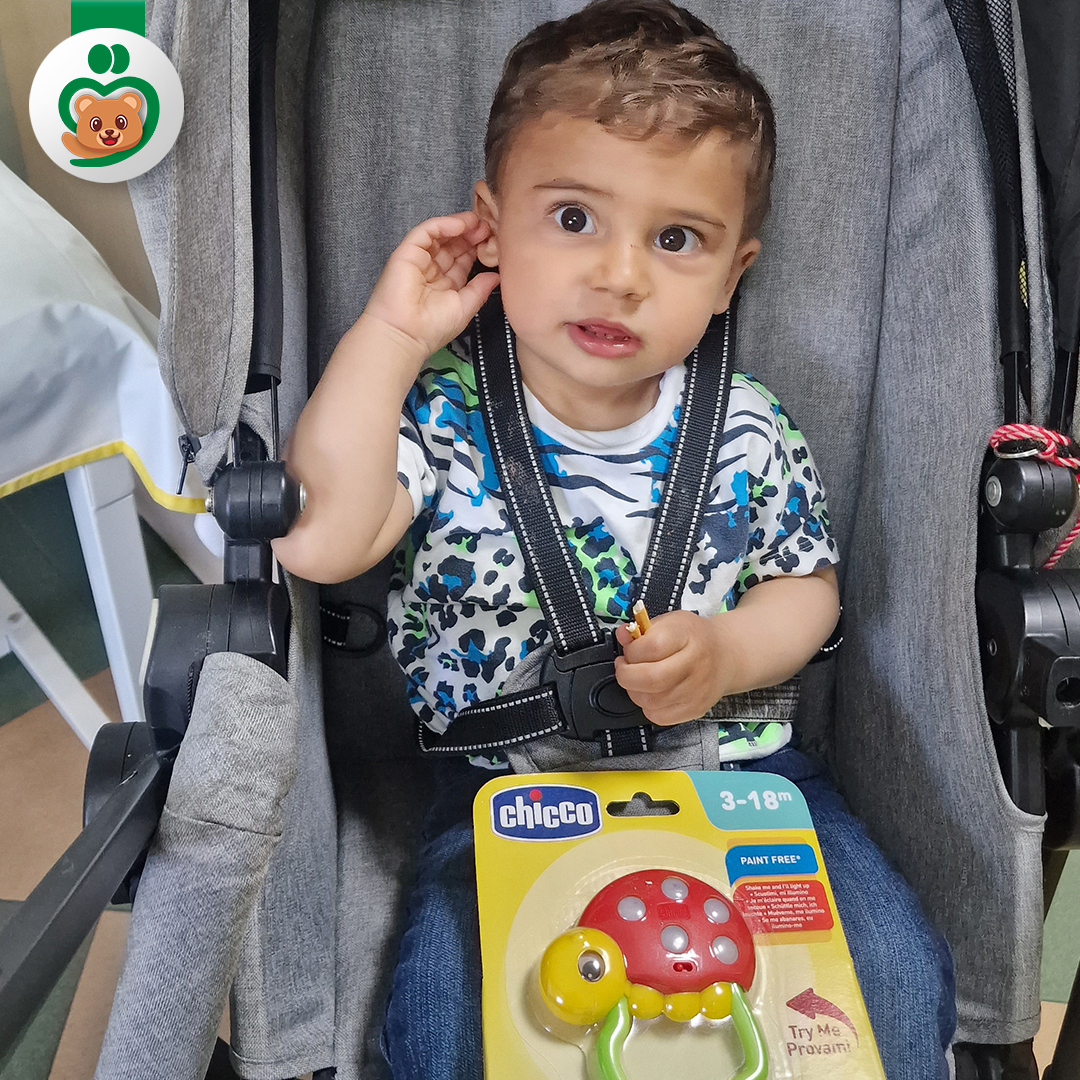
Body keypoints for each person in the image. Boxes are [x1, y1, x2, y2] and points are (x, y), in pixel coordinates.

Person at [272, 2, 956, 1077]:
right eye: (573, 218)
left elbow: (806, 588)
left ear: (733, 274)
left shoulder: (747, 428)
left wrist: (727, 651)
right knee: (453, 1028)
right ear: (490, 227)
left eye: (676, 240)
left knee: (898, 989)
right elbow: (319, 540)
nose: (622, 274)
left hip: (739, 774)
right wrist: (393, 334)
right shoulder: (437, 415)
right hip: (508, 789)